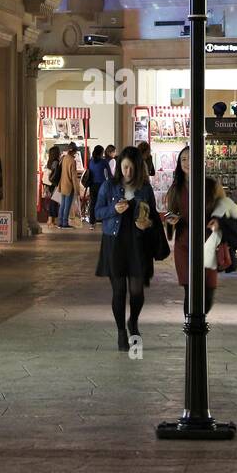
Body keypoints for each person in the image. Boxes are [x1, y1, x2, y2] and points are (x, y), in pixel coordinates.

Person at [165, 147, 237, 316]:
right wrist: (172, 220)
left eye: (190, 158)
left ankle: (199, 323)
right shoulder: (175, 189)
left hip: (208, 244)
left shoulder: (211, 185)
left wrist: (218, 220)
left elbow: (225, 207)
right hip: (185, 244)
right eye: (183, 160)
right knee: (190, 290)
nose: (186, 163)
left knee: (207, 292)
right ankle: (191, 331)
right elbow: (171, 213)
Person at [95, 146, 161, 351]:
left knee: (137, 291)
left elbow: (152, 215)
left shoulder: (145, 189)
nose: (128, 172)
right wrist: (113, 210)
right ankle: (121, 331)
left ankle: (133, 320)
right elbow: (97, 213)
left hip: (138, 242)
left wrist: (147, 223)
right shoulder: (109, 186)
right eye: (125, 168)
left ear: (139, 168)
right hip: (114, 242)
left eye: (132, 168)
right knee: (119, 291)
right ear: (119, 166)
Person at [56, 143, 83, 228]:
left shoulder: (64, 158)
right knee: (67, 205)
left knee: (62, 204)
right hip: (69, 185)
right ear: (74, 151)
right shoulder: (72, 161)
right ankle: (65, 223)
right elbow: (74, 177)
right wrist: (77, 190)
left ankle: (60, 222)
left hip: (62, 184)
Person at [86, 145, 110, 228]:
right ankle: (102, 219)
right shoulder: (104, 161)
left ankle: (92, 222)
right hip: (102, 184)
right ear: (101, 153)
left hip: (92, 185)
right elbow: (110, 174)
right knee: (103, 202)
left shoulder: (90, 161)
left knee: (93, 203)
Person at [42, 145, 62, 221]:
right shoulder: (56, 162)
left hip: (49, 183)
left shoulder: (49, 162)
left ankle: (50, 220)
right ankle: (51, 220)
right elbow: (55, 173)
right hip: (53, 183)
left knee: (51, 201)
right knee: (54, 201)